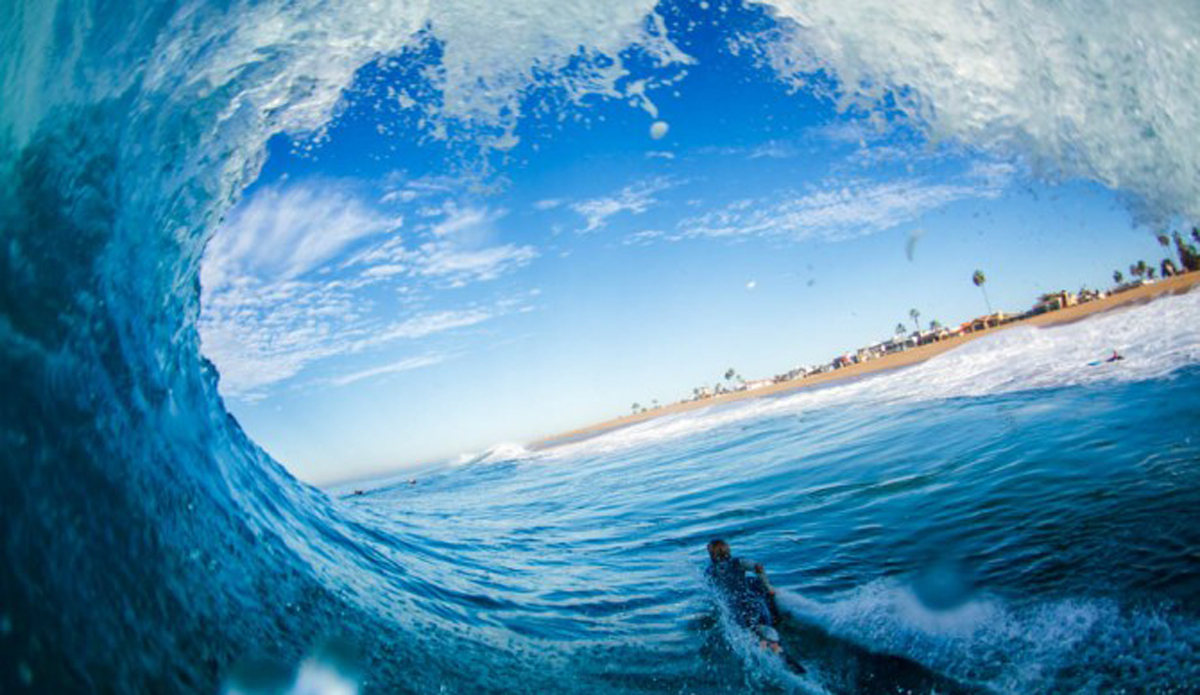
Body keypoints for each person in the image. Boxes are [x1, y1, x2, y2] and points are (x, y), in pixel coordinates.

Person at [706, 539, 783, 652]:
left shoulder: (709, 571)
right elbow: (758, 567)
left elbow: (714, 593)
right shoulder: (738, 562)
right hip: (749, 602)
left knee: (748, 630)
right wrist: (768, 587)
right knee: (759, 592)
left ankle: (758, 645)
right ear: (728, 549)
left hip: (733, 608)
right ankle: (775, 639)